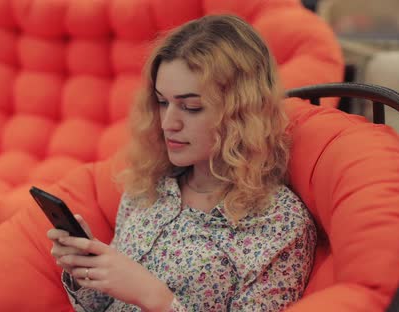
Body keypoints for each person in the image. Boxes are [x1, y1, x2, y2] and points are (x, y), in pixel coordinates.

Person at [47, 14, 317, 312]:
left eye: (190, 107)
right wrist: (86, 269)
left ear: (241, 113)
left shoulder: (279, 224)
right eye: (163, 102)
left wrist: (157, 299)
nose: (167, 123)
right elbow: (106, 305)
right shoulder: (149, 185)